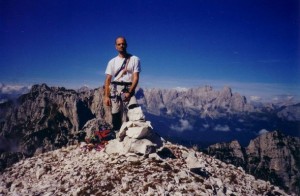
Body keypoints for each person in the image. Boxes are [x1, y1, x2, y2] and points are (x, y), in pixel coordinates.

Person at [104, 36, 141, 132]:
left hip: (128, 88)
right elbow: (108, 79)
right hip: (115, 89)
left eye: (123, 44)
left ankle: (135, 133)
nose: (121, 46)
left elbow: (136, 77)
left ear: (126, 45)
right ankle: (117, 133)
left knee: (134, 109)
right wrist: (106, 96)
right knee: (115, 113)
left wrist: (130, 92)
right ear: (116, 46)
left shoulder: (134, 59)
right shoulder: (112, 62)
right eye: (119, 44)